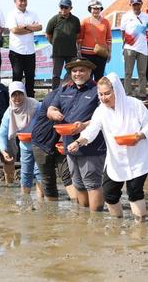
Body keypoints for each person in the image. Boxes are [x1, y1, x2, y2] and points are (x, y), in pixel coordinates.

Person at [67, 73, 148, 220]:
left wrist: (139, 136)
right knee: (109, 193)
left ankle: (140, 227)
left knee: (134, 192)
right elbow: (92, 130)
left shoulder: (134, 104)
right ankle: (118, 224)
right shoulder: (101, 110)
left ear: (117, 91)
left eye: (107, 93)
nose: (103, 98)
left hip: (139, 156)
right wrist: (78, 142)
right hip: (116, 158)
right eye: (100, 94)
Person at [47, 57, 106, 212]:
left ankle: (95, 218)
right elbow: (51, 109)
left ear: (90, 72)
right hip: (69, 143)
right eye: (74, 71)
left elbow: (104, 117)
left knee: (92, 183)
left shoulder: (97, 90)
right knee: (78, 183)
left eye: (82, 70)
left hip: (92, 145)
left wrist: (84, 125)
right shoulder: (65, 89)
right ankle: (84, 215)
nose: (77, 73)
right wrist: (55, 114)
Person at [30, 80, 76, 201]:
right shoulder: (53, 97)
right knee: (48, 179)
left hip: (61, 142)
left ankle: (79, 209)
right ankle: (51, 212)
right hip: (42, 142)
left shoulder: (75, 95)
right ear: (67, 85)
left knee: (68, 175)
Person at [0, 81, 44, 197]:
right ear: (10, 96)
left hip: (40, 144)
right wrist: (4, 151)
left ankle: (41, 201)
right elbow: (2, 134)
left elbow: (44, 124)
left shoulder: (36, 106)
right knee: (26, 173)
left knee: (39, 172)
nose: (17, 97)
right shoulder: (9, 112)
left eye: (20, 93)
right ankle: (25, 201)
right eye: (14, 94)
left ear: (24, 93)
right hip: (25, 145)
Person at [7, 0, 41, 98]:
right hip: (16, 51)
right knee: (17, 77)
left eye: (25, 0)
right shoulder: (12, 14)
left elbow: (39, 27)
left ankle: (30, 101)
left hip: (30, 51)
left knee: (30, 77)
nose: (23, 3)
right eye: (21, 0)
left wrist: (24, 27)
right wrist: (31, 28)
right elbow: (15, 30)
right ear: (15, 1)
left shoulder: (32, 13)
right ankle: (15, 100)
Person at [46, 0, 81, 89]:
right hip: (58, 53)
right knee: (56, 74)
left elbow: (77, 35)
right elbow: (48, 34)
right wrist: (54, 43)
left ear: (70, 8)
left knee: (73, 73)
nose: (63, 9)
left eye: (66, 7)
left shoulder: (76, 20)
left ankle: (71, 90)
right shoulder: (54, 19)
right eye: (62, 7)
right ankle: (54, 92)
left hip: (71, 52)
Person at [120, 0, 148, 99]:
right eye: (134, 5)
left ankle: (142, 94)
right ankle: (127, 94)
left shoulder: (146, 16)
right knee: (128, 73)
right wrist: (127, 43)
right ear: (130, 5)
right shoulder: (125, 16)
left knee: (142, 73)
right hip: (130, 48)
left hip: (143, 49)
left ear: (141, 4)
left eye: (138, 4)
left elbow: (146, 32)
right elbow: (122, 32)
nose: (136, 7)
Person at [78, 0, 111, 81]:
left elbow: (109, 39)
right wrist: (78, 51)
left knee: (99, 76)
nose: (96, 11)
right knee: (87, 76)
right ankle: (87, 93)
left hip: (101, 53)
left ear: (100, 10)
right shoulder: (84, 22)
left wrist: (109, 53)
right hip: (86, 54)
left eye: (98, 9)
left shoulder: (106, 22)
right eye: (94, 8)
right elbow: (79, 39)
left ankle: (98, 93)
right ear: (90, 9)